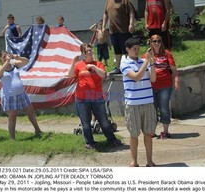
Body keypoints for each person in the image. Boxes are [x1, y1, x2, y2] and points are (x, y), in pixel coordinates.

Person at [68, 43, 121, 149]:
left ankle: (112, 139)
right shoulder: (79, 65)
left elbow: (103, 75)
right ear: (83, 53)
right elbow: (70, 75)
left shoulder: (98, 64)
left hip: (97, 97)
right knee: (86, 122)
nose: (90, 52)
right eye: (88, 51)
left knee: (104, 121)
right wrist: (74, 61)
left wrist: (93, 67)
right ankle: (89, 142)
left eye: (91, 50)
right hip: (82, 98)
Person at [120, 38, 157, 167]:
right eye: (134, 49)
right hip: (133, 104)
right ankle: (134, 161)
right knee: (134, 134)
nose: (137, 51)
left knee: (148, 132)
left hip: (147, 101)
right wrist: (147, 61)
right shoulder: (124, 63)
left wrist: (151, 64)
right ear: (127, 49)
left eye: (138, 48)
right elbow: (136, 78)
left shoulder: (144, 62)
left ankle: (149, 161)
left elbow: (153, 79)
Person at [0, 51, 42, 140]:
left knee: (31, 112)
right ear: (0, 58)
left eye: (7, 55)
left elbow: (26, 62)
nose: (6, 57)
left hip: (21, 94)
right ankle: (12, 138)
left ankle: (37, 130)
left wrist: (17, 57)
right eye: (3, 56)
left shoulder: (14, 64)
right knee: (12, 117)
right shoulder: (0, 67)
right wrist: (7, 62)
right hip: (9, 96)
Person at [142, 34, 179, 139]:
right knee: (152, 109)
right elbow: (142, 69)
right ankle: (152, 131)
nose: (156, 43)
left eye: (158, 41)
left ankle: (165, 131)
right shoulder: (146, 55)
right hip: (151, 86)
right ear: (150, 43)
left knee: (164, 108)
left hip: (165, 85)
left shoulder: (167, 54)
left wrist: (176, 80)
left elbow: (173, 69)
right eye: (154, 41)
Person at [102, 0, 135, 74]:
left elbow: (131, 13)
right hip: (113, 31)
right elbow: (105, 14)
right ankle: (118, 68)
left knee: (126, 50)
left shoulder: (126, 1)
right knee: (117, 50)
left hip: (124, 30)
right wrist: (103, 26)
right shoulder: (108, 2)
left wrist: (131, 24)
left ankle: (129, 66)